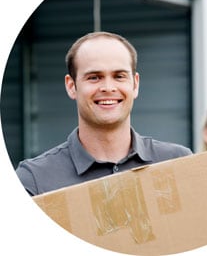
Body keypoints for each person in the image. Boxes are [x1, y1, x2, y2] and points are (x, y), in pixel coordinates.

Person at [16, 31, 193, 196]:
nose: (108, 88)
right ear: (71, 86)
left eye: (119, 76)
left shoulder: (179, 163)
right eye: (94, 77)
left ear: (135, 84)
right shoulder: (35, 180)